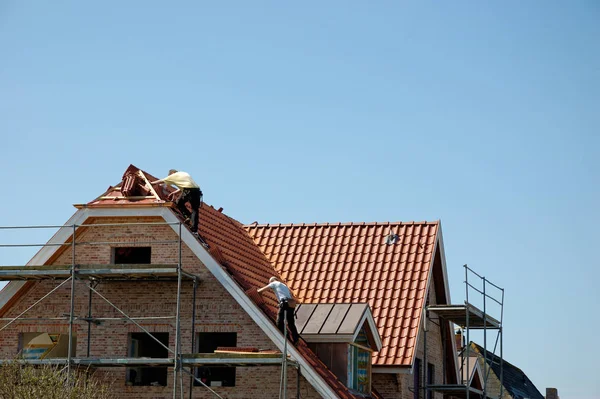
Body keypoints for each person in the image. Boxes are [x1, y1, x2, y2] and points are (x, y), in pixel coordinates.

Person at [151, 170, 202, 234]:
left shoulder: (173, 176)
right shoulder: (184, 173)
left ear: (172, 174)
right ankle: (195, 230)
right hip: (197, 191)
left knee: (178, 202)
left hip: (188, 190)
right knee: (195, 210)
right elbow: (185, 186)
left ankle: (188, 216)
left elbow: (162, 180)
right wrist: (173, 193)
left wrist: (152, 183)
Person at [257, 277, 300, 345]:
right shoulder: (284, 285)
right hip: (291, 305)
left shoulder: (274, 283)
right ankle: (296, 339)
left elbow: (261, 290)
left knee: (279, 322)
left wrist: (255, 292)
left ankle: (286, 337)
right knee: (291, 323)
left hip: (285, 304)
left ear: (271, 281)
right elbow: (287, 296)